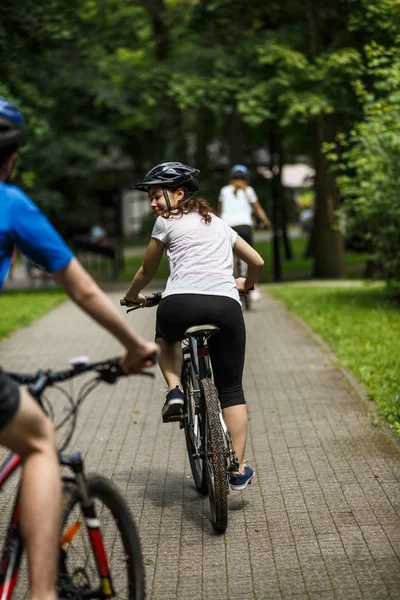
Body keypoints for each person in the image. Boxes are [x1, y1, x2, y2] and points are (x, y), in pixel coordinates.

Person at [0, 96, 158, 600]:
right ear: (10, 156)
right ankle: (42, 593)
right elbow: (84, 289)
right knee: (40, 439)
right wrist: (134, 345)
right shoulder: (10, 203)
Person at [123, 161, 264, 491]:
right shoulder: (219, 223)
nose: (153, 203)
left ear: (179, 193)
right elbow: (256, 261)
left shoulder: (165, 222)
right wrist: (247, 285)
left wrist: (133, 297)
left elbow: (146, 270)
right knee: (231, 391)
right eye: (151, 198)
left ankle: (175, 390)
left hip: (179, 303)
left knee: (166, 338)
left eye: (157, 195)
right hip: (226, 305)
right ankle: (238, 468)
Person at [217, 164, 270, 302]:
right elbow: (257, 208)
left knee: (228, 258)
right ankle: (253, 289)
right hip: (244, 226)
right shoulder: (249, 191)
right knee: (249, 259)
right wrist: (265, 220)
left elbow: (219, 210)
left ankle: (226, 288)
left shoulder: (224, 190)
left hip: (227, 226)